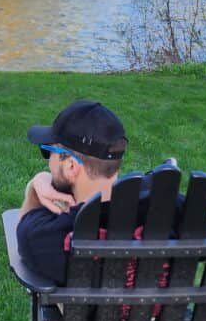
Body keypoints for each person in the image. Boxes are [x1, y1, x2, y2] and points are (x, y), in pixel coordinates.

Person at [16, 99, 128, 285]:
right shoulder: (163, 213)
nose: (48, 162)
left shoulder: (44, 237)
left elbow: (22, 230)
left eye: (47, 151)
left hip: (83, 315)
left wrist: (34, 189)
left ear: (71, 166)